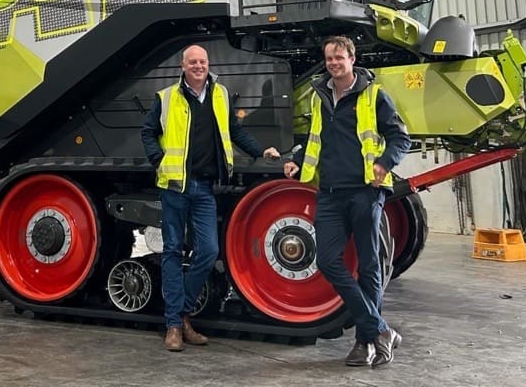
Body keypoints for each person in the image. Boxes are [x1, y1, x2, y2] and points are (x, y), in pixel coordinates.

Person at [142, 44, 280, 352]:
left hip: (204, 187)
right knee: (173, 252)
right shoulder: (167, 98)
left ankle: (183, 312)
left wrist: (261, 151)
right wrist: (158, 160)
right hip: (175, 185)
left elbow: (234, 131)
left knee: (208, 251)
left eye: (202, 61)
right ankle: (174, 327)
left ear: (208, 64)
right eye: (192, 62)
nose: (198, 66)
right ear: (182, 65)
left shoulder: (220, 95)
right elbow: (148, 132)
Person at [283, 35, 411, 368]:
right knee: (326, 260)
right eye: (329, 59)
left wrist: (384, 162)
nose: (334, 64)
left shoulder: (373, 95)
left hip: (365, 191)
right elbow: (316, 137)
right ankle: (380, 330)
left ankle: (364, 342)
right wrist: (298, 159)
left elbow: (400, 136)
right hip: (329, 193)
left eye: (339, 58)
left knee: (369, 268)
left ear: (352, 59)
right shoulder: (319, 96)